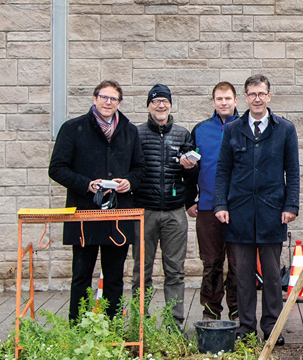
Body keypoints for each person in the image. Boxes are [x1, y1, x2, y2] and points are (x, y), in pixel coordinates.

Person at [49, 80, 146, 322]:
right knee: (81, 276)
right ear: (94, 98)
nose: (108, 102)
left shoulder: (130, 131)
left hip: (118, 216)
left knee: (114, 278)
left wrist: (129, 182)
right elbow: (57, 168)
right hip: (85, 215)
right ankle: (78, 331)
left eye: (113, 98)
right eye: (104, 97)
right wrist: (87, 184)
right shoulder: (72, 128)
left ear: (119, 102)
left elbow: (140, 169)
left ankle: (112, 329)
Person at [214, 75, 299, 345]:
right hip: (239, 212)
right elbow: (222, 171)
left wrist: (291, 205)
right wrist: (220, 204)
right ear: (246, 97)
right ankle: (246, 327)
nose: (257, 99)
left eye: (261, 93)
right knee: (242, 275)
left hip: (273, 212)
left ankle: (272, 327)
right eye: (252, 94)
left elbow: (293, 172)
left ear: (269, 96)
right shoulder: (233, 130)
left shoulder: (285, 129)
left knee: (273, 276)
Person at [131, 84, 198, 328]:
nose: (161, 104)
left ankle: (175, 324)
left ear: (170, 104)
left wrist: (191, 167)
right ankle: (141, 324)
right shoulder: (135, 134)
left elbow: (192, 176)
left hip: (174, 212)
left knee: (175, 272)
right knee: (141, 272)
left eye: (165, 101)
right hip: (144, 212)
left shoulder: (182, 134)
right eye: (156, 100)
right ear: (148, 105)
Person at [189, 82, 241, 321]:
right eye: (219, 99)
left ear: (235, 101)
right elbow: (191, 168)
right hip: (208, 206)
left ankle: (239, 312)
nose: (223, 103)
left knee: (239, 264)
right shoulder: (200, 130)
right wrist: (190, 199)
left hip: (239, 207)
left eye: (227, 98)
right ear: (213, 102)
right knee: (211, 263)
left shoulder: (245, 127)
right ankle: (210, 312)